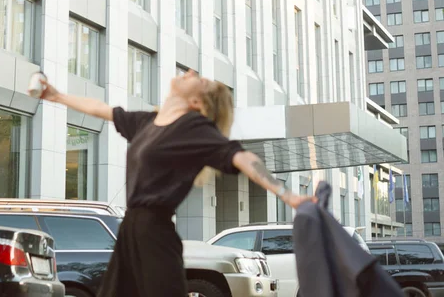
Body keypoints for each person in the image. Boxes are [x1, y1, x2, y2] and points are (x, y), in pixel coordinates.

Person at [36, 69, 315, 297]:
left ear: (197, 103)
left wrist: (286, 194)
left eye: (199, 79)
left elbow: (241, 157)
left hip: (155, 232)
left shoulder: (194, 127)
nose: (191, 71)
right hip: (131, 232)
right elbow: (101, 109)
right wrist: (56, 95)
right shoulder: (148, 123)